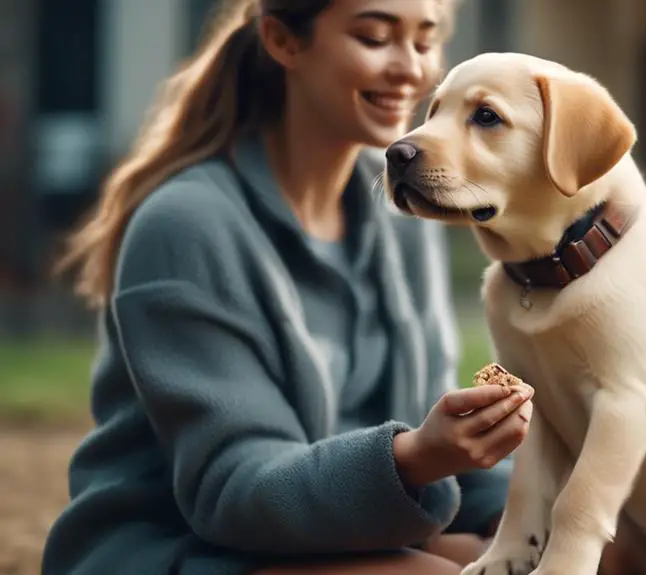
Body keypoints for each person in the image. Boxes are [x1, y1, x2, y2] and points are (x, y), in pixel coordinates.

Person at [41, 1, 534, 573]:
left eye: (425, 42)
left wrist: (515, 516)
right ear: (283, 41)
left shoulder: (400, 212)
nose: (410, 69)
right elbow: (235, 491)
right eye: (375, 37)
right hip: (179, 546)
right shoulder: (187, 226)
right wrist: (415, 457)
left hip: (343, 536)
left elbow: (431, 426)